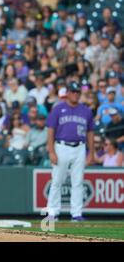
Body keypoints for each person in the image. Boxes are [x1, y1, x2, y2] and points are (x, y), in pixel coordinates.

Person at [46, 81, 94, 222]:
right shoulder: (58, 109)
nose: (75, 94)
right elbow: (50, 131)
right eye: (73, 92)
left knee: (78, 182)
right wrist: (51, 151)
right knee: (57, 181)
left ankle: (76, 213)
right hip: (61, 146)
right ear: (67, 93)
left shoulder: (86, 111)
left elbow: (90, 132)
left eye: (77, 92)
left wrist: (91, 153)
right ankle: (52, 212)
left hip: (80, 147)